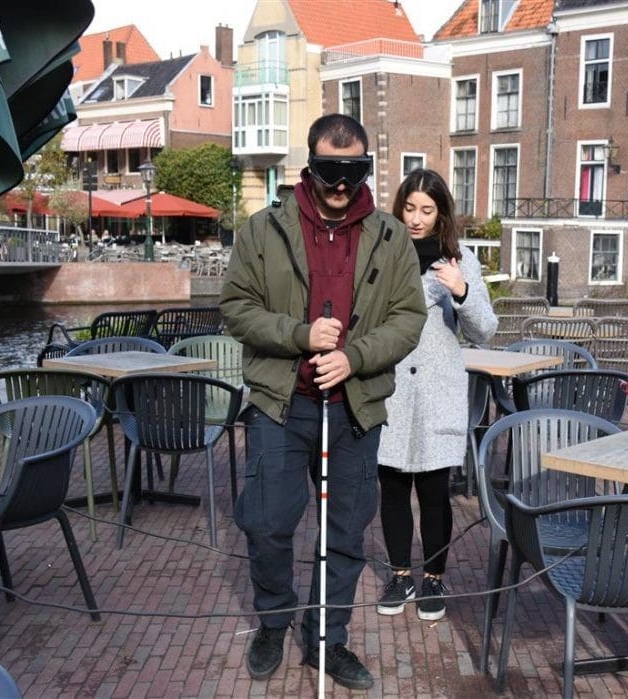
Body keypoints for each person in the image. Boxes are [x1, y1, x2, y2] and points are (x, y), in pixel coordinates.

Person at [220, 114, 426, 691]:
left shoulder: (391, 237)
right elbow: (236, 308)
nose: (340, 184)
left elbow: (408, 318)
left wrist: (354, 358)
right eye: (329, 170)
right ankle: (273, 623)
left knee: (345, 531)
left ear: (366, 169)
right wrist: (299, 335)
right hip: (281, 403)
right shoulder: (263, 230)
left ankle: (326, 639)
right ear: (308, 166)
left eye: (353, 171)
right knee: (267, 522)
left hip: (354, 407)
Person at [374, 169, 497, 621]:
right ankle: (400, 575)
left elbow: (484, 331)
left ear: (441, 212)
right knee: (391, 486)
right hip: (390, 387)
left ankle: (434, 578)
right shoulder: (383, 253)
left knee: (433, 490)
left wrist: (460, 290)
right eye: (409, 208)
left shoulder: (460, 259)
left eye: (427, 210)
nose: (416, 219)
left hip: (437, 389)